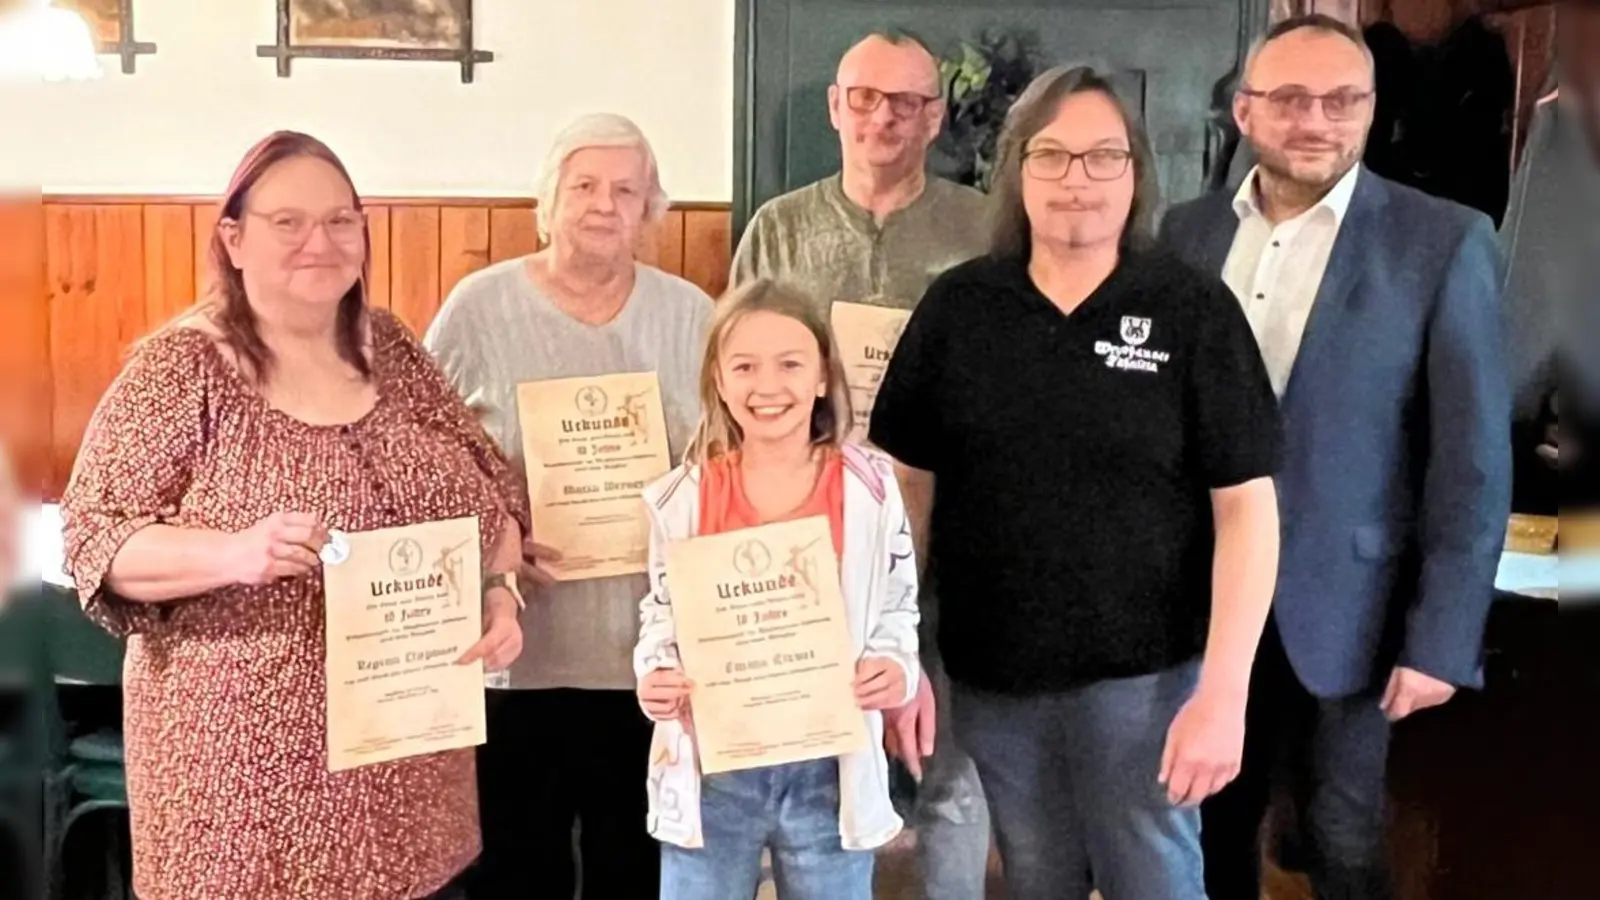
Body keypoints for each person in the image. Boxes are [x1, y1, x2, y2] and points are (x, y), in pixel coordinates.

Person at [58, 130, 528, 900]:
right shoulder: (180, 369)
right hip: (244, 795)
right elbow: (95, 538)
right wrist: (233, 554)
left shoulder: (394, 349)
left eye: (342, 220)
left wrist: (502, 592)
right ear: (234, 239)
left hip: (407, 775)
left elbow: (491, 491)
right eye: (289, 222)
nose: (321, 241)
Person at [870, 65, 1284, 900]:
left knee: (1155, 881)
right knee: (1037, 878)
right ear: (1016, 172)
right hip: (995, 676)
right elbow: (903, 492)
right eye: (1051, 156)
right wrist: (896, 643)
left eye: (1102, 157)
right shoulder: (959, 308)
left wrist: (1224, 694)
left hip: (1149, 680)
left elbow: (1247, 512)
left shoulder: (1192, 310)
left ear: (1136, 173)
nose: (1076, 181)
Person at [1158, 15, 1513, 900]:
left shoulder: (1443, 241)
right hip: (1198, 601)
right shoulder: (1184, 235)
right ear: (1244, 112)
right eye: (1288, 99)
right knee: (1207, 827)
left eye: (1341, 100)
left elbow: (1472, 461)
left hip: (1352, 611)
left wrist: (1443, 639)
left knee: (1340, 838)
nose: (1315, 119)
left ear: (1370, 110)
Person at [422, 112, 714, 900]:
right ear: (546, 201)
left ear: (652, 209)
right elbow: (420, 451)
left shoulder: (692, 315)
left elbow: (722, 461)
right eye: (583, 185)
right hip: (519, 652)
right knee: (521, 869)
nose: (603, 204)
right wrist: (499, 522)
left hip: (646, 657)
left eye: (627, 189)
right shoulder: (479, 308)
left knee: (635, 869)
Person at [730, 31, 992, 899]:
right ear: (837, 107)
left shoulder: (984, 226)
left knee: (951, 762)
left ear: (936, 117)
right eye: (868, 98)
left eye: (910, 102)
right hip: (814, 531)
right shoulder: (781, 227)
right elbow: (738, 365)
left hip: (952, 527)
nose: (887, 117)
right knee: (816, 765)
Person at [633, 278, 921, 900]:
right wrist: (656, 671)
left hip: (829, 769)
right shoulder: (683, 497)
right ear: (717, 378)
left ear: (822, 376)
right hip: (715, 770)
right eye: (744, 366)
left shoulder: (868, 487)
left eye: (790, 364)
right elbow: (661, 610)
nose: (768, 386)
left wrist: (894, 663)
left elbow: (899, 603)